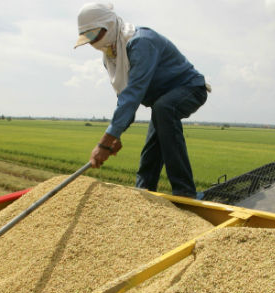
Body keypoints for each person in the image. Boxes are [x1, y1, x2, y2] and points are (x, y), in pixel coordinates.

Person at [74, 3, 210, 199]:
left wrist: (105, 142)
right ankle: (143, 193)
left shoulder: (140, 42)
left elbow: (134, 93)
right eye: (89, 39)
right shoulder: (111, 56)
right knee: (153, 146)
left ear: (109, 24)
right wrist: (116, 136)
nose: (94, 43)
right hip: (161, 104)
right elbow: (124, 99)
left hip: (190, 89)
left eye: (95, 35)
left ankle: (185, 192)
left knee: (164, 109)